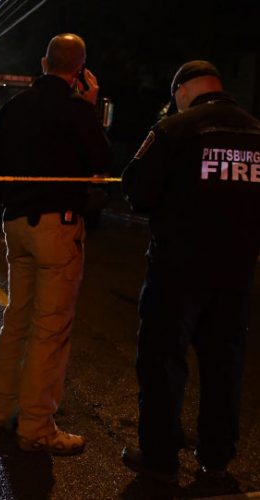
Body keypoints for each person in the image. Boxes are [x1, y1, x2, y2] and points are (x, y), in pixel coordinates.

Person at [121, 60, 260, 482]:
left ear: (183, 90)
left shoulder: (174, 130)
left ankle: (160, 456)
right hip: (236, 271)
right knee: (224, 365)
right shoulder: (255, 132)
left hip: (177, 271)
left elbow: (137, 190)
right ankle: (216, 459)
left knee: (163, 360)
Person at [0, 33, 111, 455]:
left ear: (43, 63)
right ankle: (37, 425)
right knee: (50, 327)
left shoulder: (14, 108)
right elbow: (102, 161)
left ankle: (6, 407)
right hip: (58, 227)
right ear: (80, 71)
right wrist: (89, 108)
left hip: (17, 224)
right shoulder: (77, 111)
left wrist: (15, 202)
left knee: (18, 318)